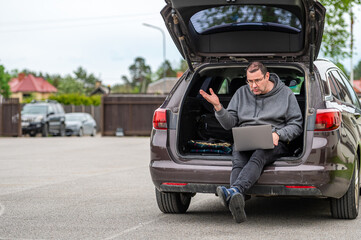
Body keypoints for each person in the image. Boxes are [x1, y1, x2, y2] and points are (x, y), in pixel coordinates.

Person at [199, 61, 303, 223]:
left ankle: (235, 190)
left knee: (258, 156)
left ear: (267, 76)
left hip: (275, 140)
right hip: (246, 138)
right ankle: (236, 197)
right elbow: (229, 124)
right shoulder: (241, 93)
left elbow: (296, 125)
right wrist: (219, 107)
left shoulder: (286, 94)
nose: (253, 85)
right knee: (238, 162)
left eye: (257, 81)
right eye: (250, 81)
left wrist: (279, 134)